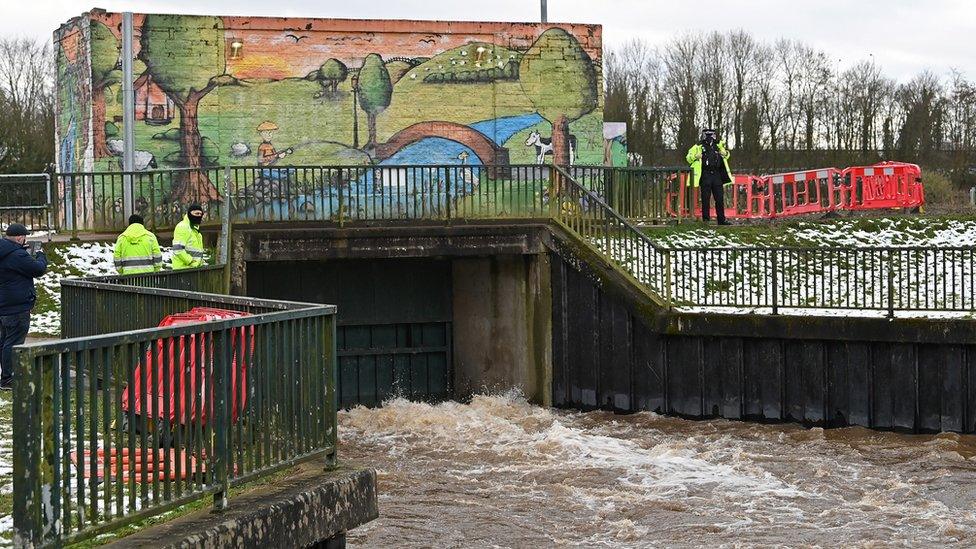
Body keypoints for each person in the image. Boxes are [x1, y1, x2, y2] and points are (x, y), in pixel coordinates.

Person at [0, 223, 48, 391]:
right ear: (20, 238)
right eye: (24, 237)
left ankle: (6, 376)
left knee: (5, 341)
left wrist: (22, 251)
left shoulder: (6, 251)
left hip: (5, 305)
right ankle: (8, 379)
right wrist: (41, 255)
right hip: (17, 307)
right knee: (13, 343)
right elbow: (38, 269)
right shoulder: (17, 255)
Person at [686, 128, 734, 225]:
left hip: (717, 174)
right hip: (705, 174)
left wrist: (726, 154)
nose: (709, 138)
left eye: (711, 135)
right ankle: (706, 220)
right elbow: (688, 158)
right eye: (707, 135)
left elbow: (727, 155)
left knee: (719, 198)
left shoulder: (719, 145)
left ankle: (721, 219)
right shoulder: (698, 146)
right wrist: (696, 156)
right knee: (705, 198)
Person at [171, 204, 207, 270]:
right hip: (182, 270)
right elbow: (178, 249)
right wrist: (191, 262)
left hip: (193, 270)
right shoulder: (182, 227)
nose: (199, 216)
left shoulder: (196, 232)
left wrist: (200, 263)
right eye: (196, 213)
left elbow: (197, 253)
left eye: (200, 214)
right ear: (189, 214)